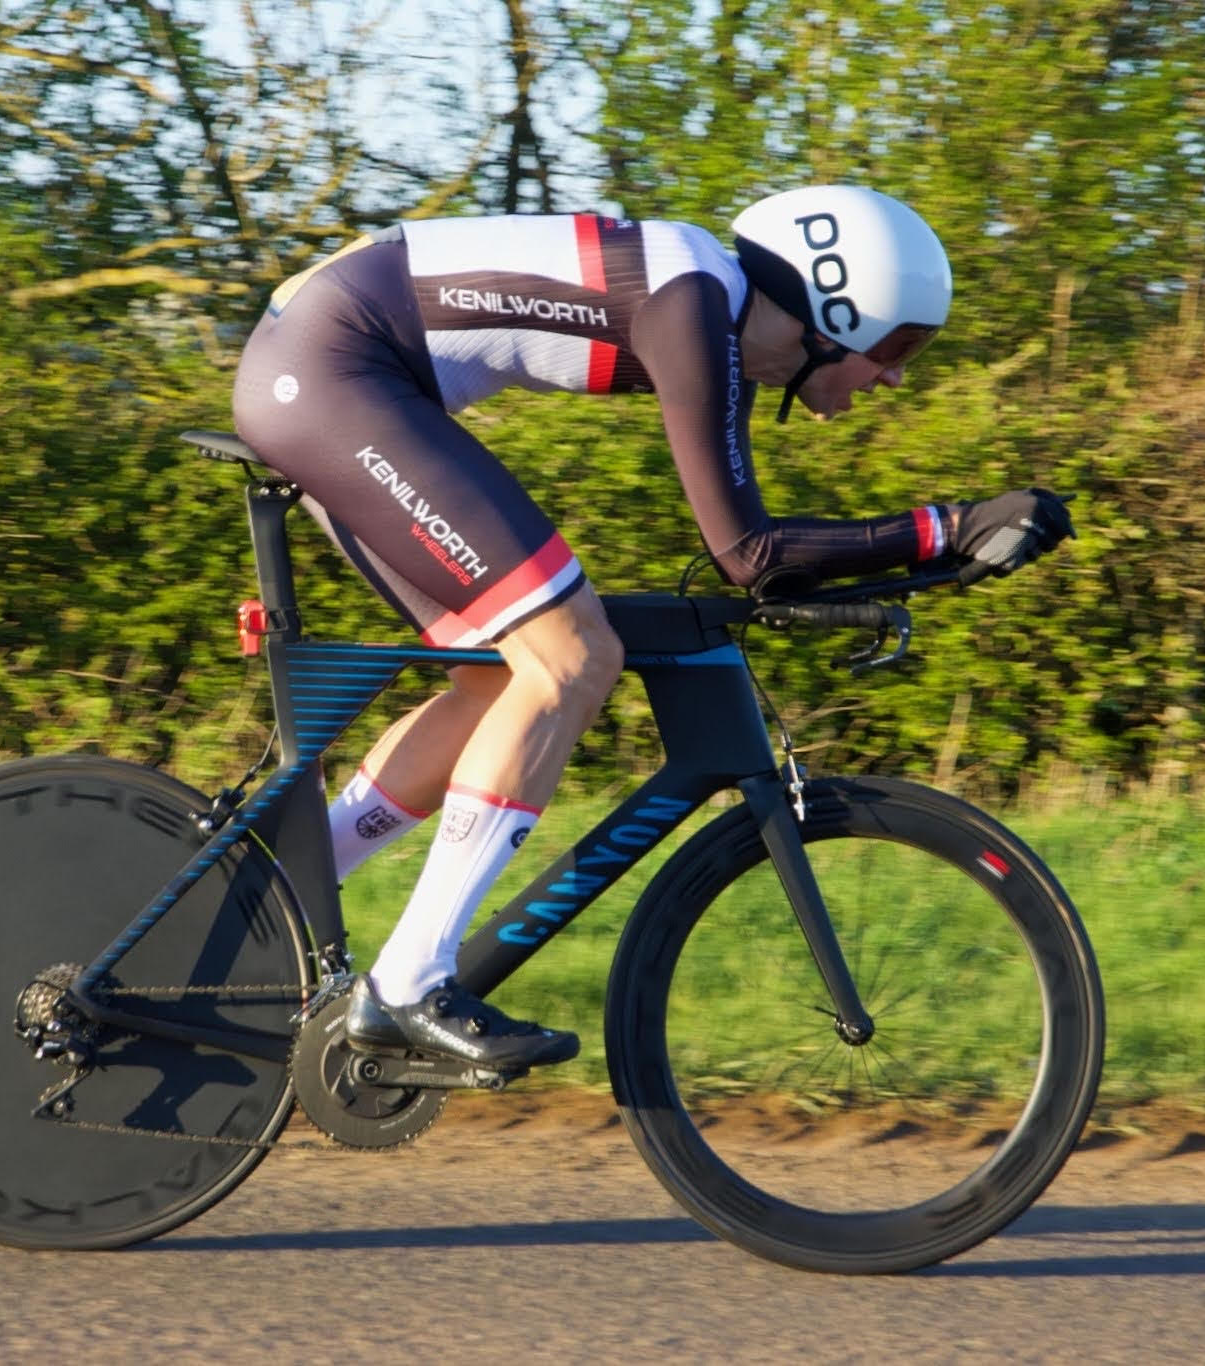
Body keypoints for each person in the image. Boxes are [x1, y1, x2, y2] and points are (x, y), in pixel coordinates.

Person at [230, 185, 1073, 1074]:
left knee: (500, 685)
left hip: (333, 374)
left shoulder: (714, 311)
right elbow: (747, 552)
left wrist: (939, 545)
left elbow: (751, 543)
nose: (898, 375)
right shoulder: (691, 304)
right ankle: (409, 981)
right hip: (334, 374)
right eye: (898, 347)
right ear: (832, 312)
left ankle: (268, 889)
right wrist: (947, 526)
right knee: (572, 656)